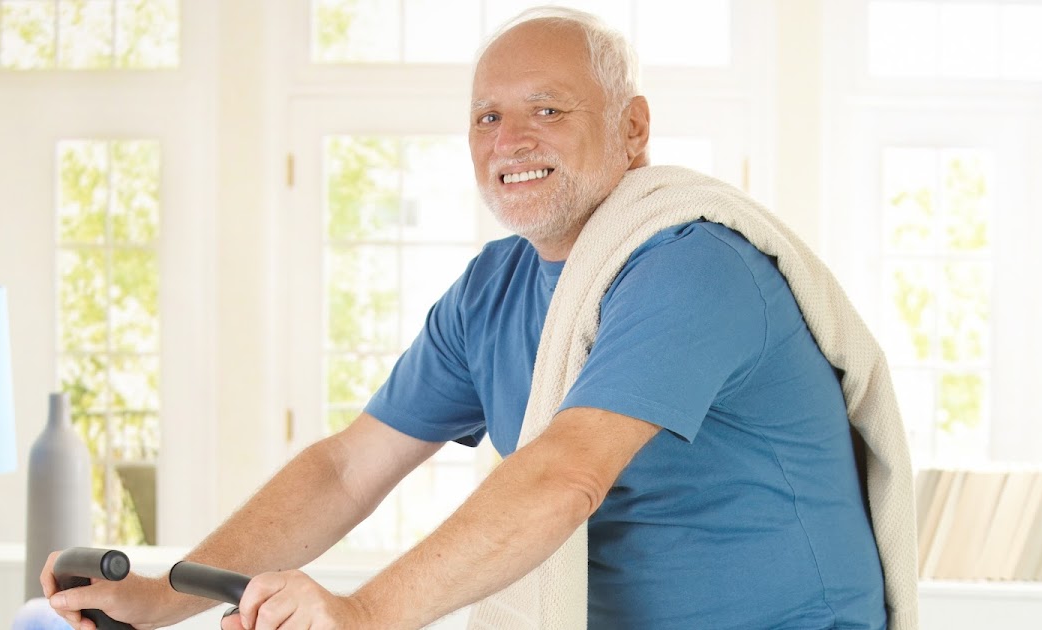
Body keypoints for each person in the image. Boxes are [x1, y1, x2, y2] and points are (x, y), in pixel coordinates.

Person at [44, 7, 890, 630]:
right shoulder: (493, 289)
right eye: (488, 116)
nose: (509, 140)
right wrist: (162, 595)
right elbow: (347, 469)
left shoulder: (694, 265)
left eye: (547, 109)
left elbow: (565, 473)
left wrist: (363, 615)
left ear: (633, 129)